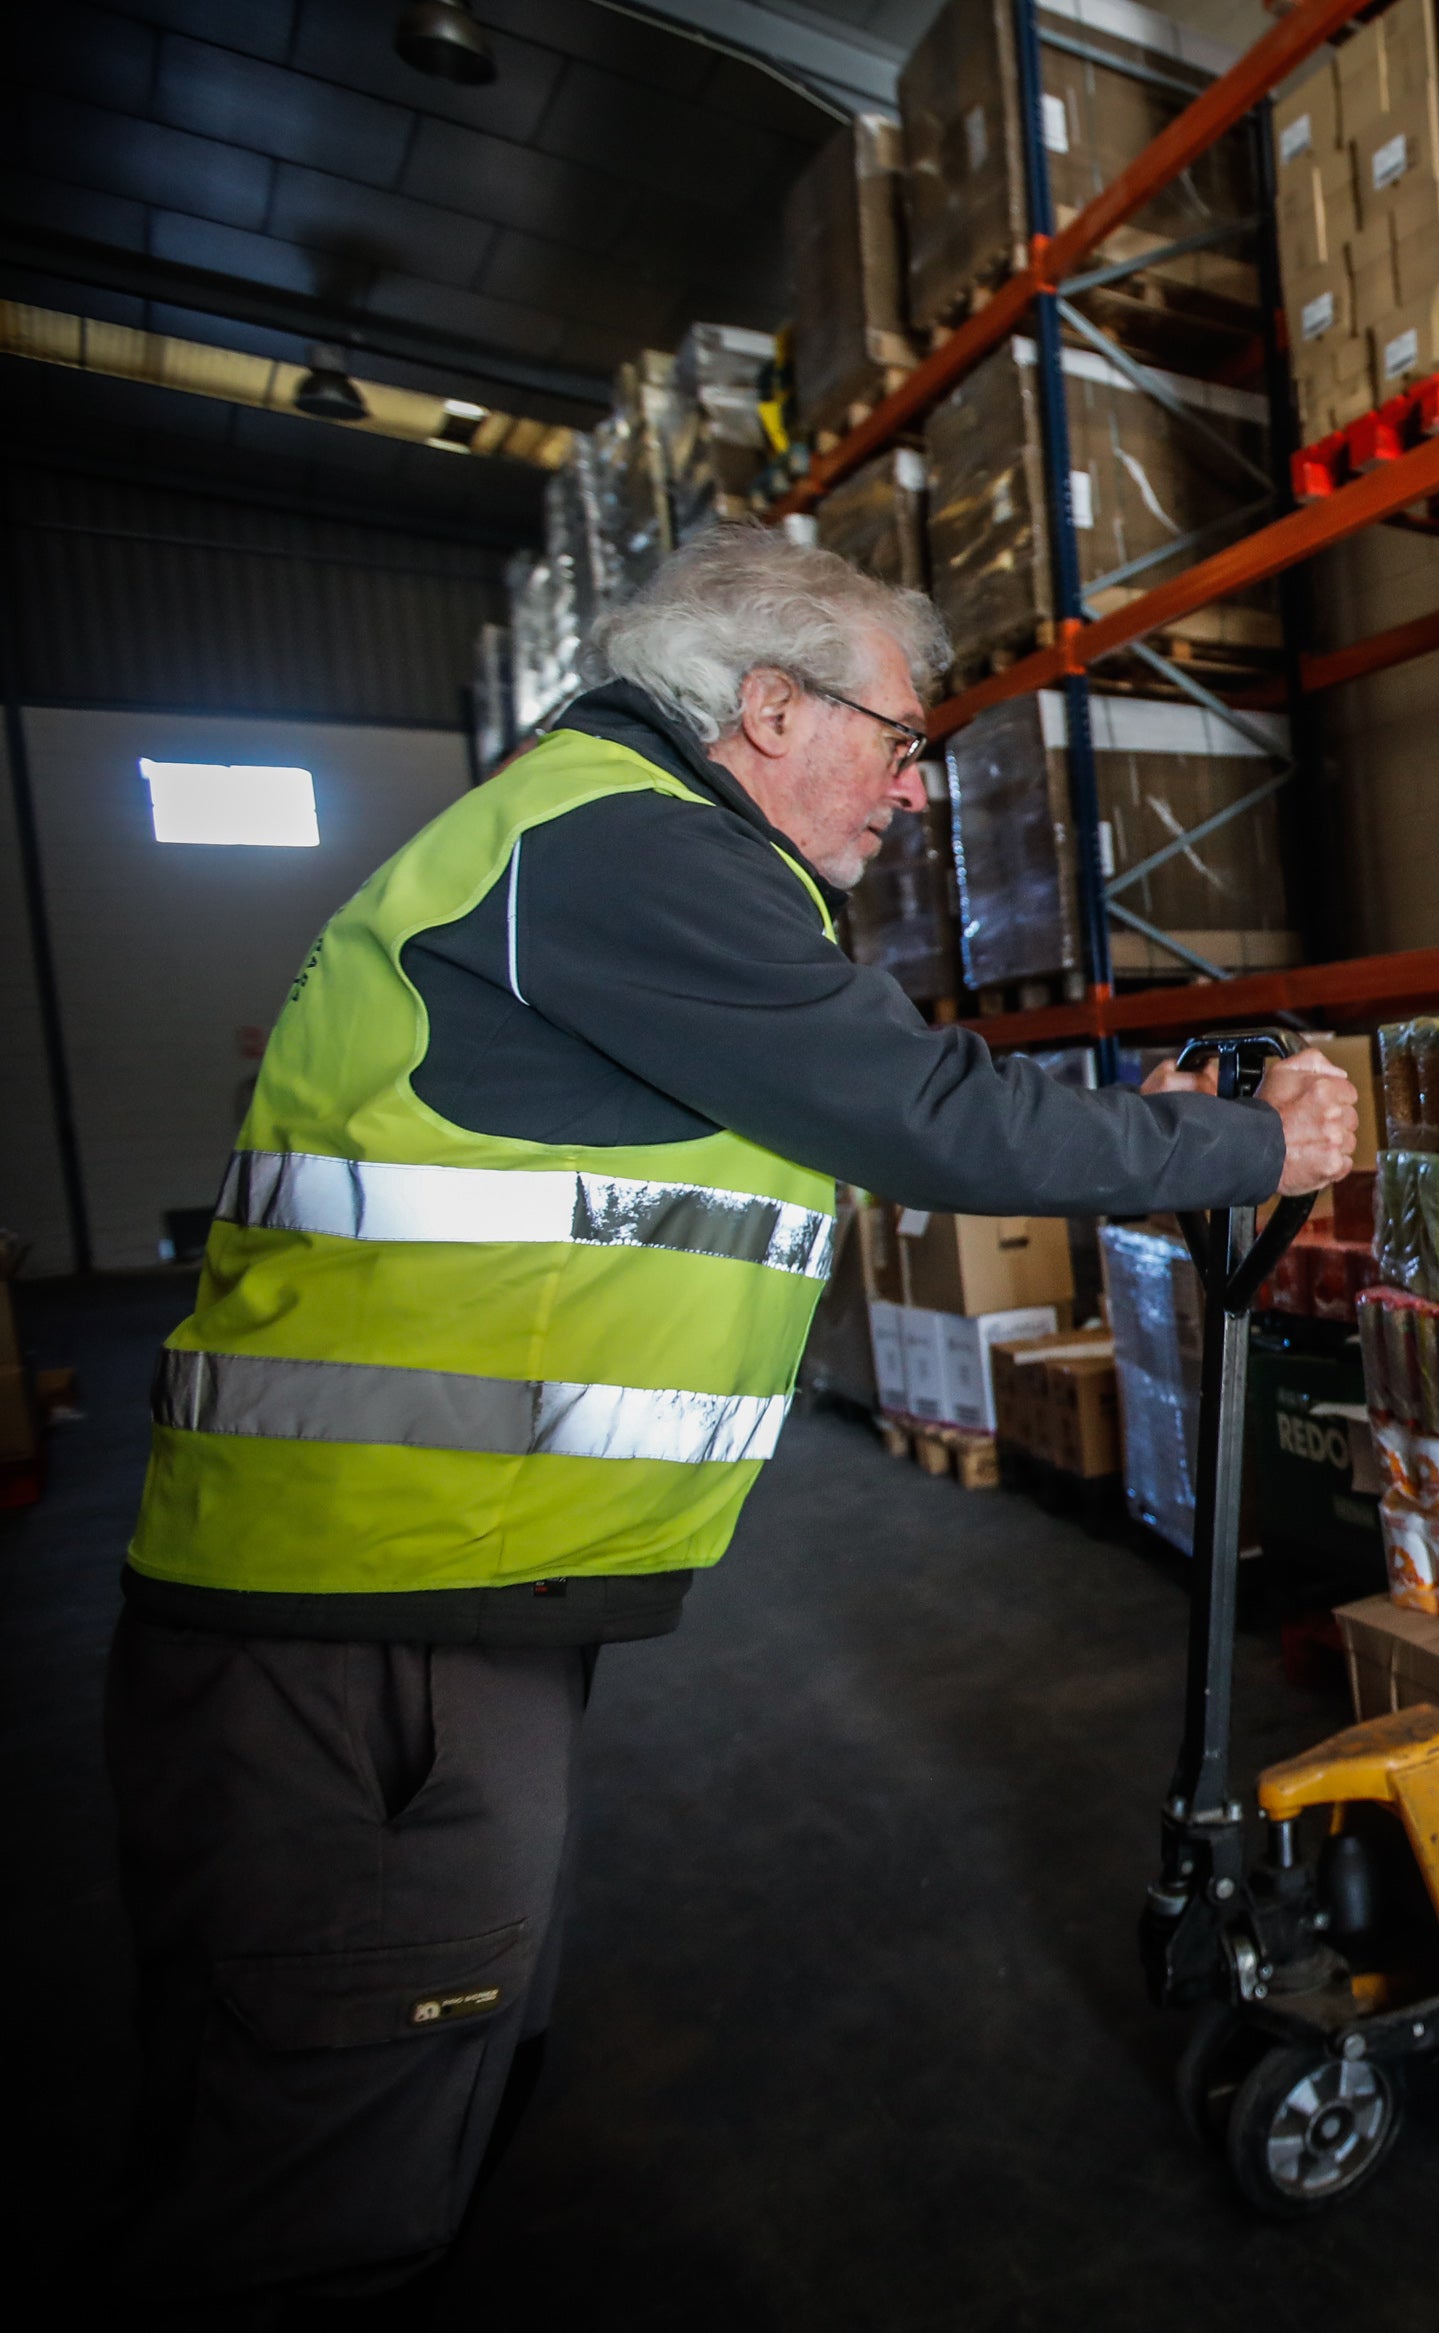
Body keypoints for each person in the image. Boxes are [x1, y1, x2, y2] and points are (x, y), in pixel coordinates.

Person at [104, 528, 1359, 2321]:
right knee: (328, 2157)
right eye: (905, 740)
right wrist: (1253, 1145)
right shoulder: (627, 844)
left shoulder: (611, 852)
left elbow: (852, 1103)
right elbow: (918, 1109)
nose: (919, 795)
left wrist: (1122, 1117)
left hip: (419, 1598)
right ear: (770, 707)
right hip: (364, 1626)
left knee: (413, 2071)